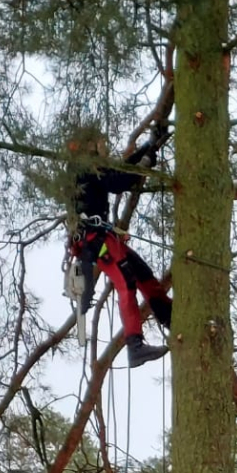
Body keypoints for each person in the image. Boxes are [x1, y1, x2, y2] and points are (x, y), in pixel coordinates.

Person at [66, 125, 173, 368]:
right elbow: (118, 182)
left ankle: (171, 318)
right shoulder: (83, 166)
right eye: (100, 142)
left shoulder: (93, 166)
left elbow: (121, 169)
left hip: (105, 237)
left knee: (145, 277)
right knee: (126, 282)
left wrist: (149, 146)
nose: (105, 146)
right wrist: (145, 161)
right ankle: (135, 346)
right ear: (89, 145)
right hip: (95, 240)